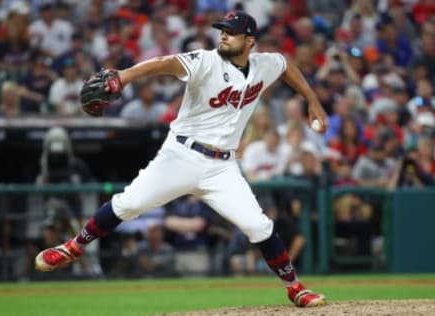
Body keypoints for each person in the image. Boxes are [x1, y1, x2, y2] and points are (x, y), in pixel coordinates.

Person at [35, 11, 327, 308]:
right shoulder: (206, 61)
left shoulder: (264, 64)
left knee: (259, 226)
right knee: (130, 204)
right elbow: (164, 63)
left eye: (232, 32)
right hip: (182, 155)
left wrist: (313, 102)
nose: (223, 35)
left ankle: (295, 288)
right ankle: (72, 247)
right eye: (222, 30)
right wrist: (124, 76)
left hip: (222, 167)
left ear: (249, 41)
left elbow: (286, 66)